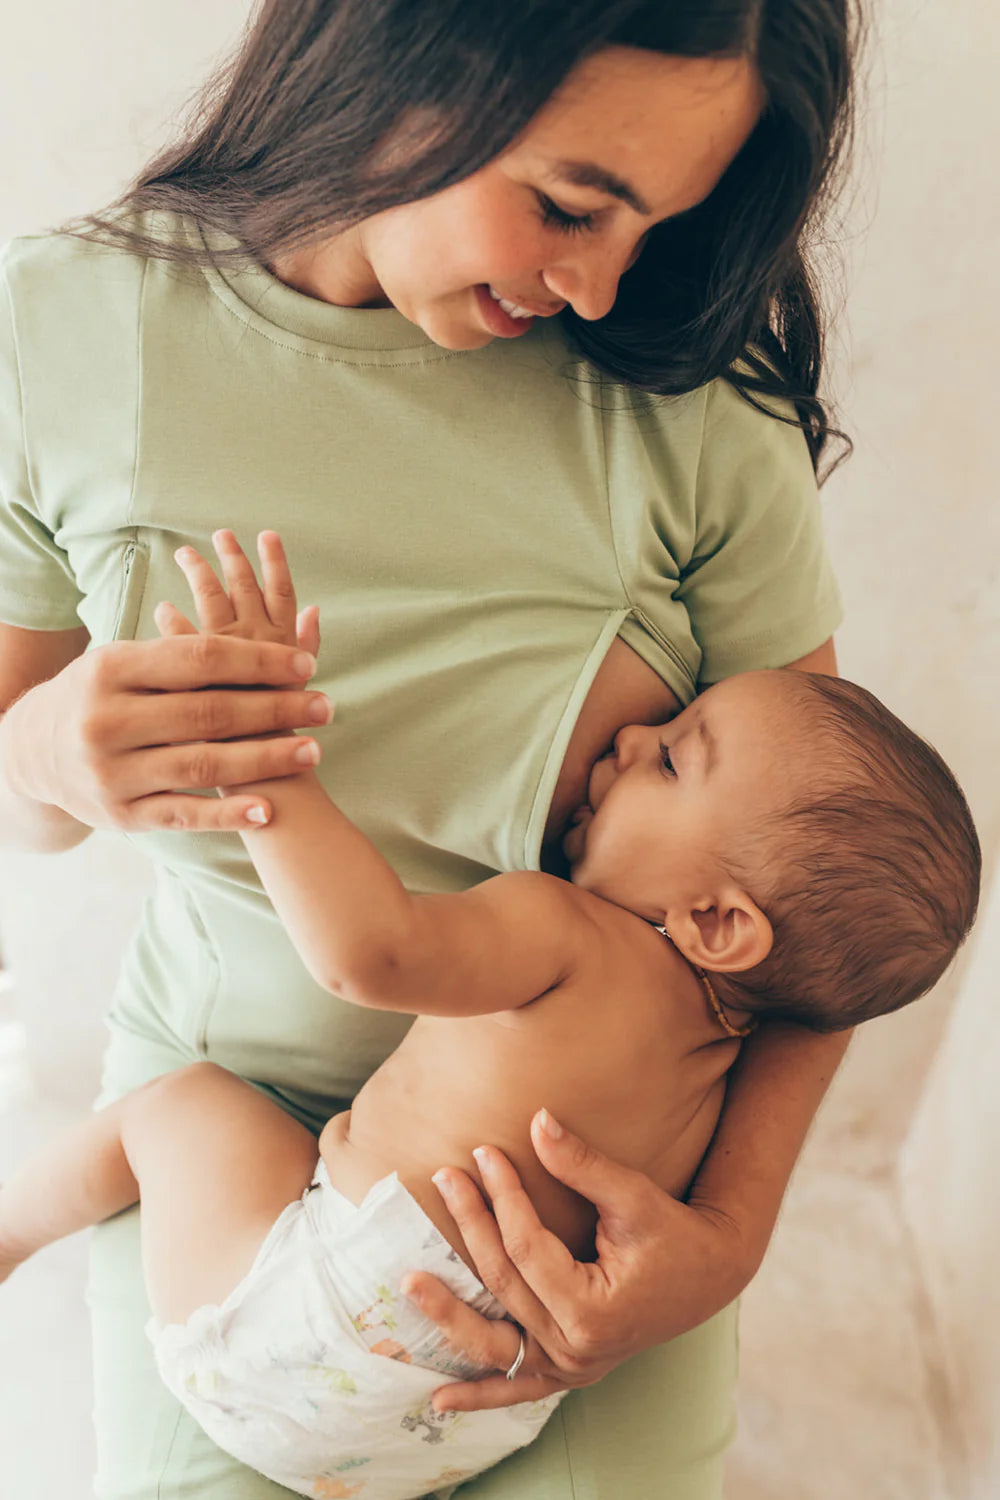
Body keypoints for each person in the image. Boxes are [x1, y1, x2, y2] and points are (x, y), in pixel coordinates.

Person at [0, 3, 865, 1496]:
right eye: (566, 205)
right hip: (240, 1120)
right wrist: (49, 756)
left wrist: (721, 1246)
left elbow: (814, 896)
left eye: (657, 226)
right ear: (402, 72)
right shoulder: (60, 334)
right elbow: (27, 803)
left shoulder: (684, 403)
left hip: (585, 1203)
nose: (600, 285)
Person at [0, 531, 979, 1500]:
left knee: (178, 1107)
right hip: (482, 1401)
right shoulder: (720, 1050)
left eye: (675, 762)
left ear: (718, 921)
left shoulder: (562, 929)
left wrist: (270, 772)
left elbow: (366, 953)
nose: (635, 737)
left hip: (308, 1335)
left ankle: (11, 1229)